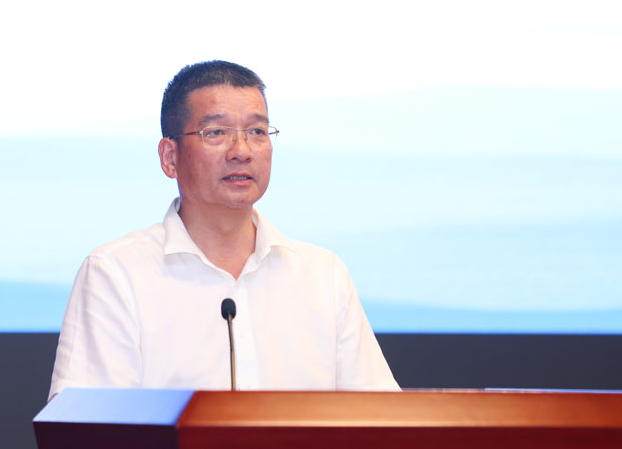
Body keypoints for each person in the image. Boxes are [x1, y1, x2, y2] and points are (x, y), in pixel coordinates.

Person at [48, 61, 398, 401]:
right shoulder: (116, 274)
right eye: (216, 133)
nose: (241, 151)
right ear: (170, 157)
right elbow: (85, 425)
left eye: (257, 132)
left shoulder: (323, 275)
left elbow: (383, 419)